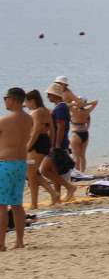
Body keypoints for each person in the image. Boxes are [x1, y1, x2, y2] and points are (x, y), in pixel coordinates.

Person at [24, 90, 72, 206]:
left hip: (36, 144)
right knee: (33, 173)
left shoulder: (36, 112)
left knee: (31, 173)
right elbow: (52, 129)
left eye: (27, 102)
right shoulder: (46, 110)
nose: (27, 105)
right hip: (44, 142)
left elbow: (35, 131)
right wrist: (51, 145)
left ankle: (39, 201)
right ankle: (40, 199)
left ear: (32, 101)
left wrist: (28, 146)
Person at [1, 87, 30, 251]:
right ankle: (19, 241)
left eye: (6, 97)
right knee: (17, 204)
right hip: (20, 163)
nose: (4, 100)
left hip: (5, 164)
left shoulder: (4, 120)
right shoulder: (28, 119)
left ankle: (1, 243)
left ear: (13, 99)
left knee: (1, 205)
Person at [69, 95, 97, 172]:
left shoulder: (74, 111)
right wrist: (84, 104)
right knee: (82, 155)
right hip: (85, 133)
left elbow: (66, 105)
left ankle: (77, 173)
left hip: (76, 133)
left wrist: (76, 103)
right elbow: (95, 102)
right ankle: (82, 172)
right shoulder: (87, 111)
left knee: (76, 156)